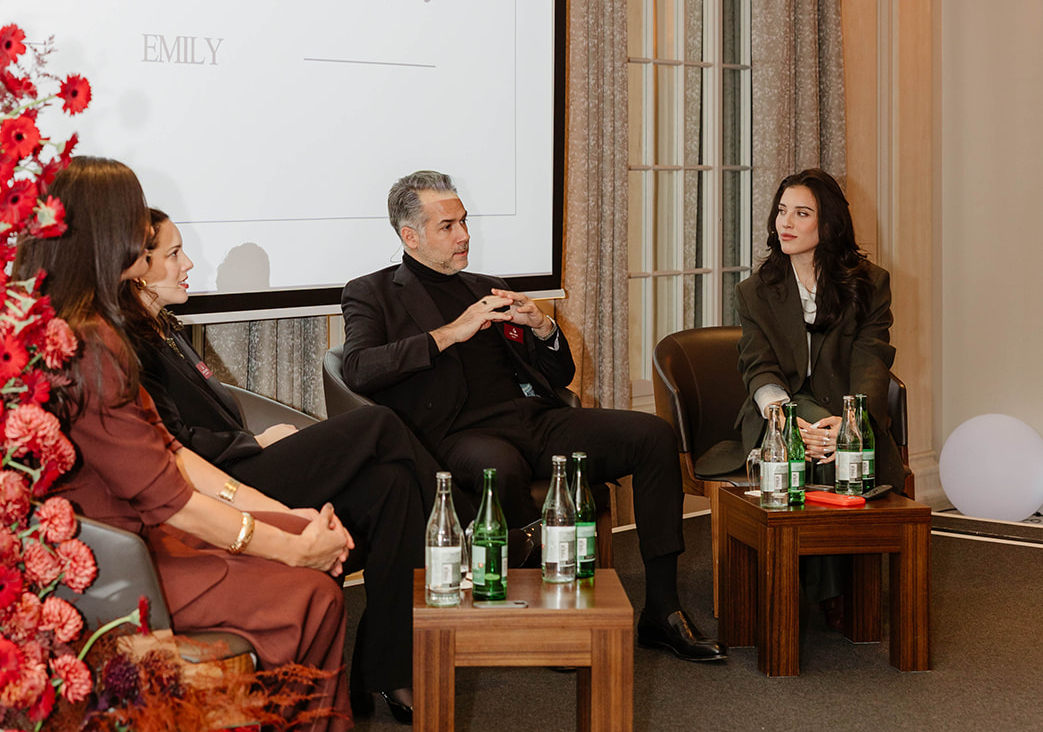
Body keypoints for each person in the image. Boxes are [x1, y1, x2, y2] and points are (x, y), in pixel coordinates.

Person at [16, 157, 352, 732]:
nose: (145, 250)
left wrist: (285, 516)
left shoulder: (84, 325)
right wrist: (293, 546)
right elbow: (166, 497)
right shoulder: (88, 343)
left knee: (310, 562)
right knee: (314, 590)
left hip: (140, 536)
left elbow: (173, 455)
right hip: (115, 565)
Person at [341, 169, 726, 664]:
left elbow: (558, 373)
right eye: (448, 227)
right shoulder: (371, 292)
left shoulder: (490, 286)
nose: (464, 236)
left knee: (652, 435)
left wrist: (543, 327)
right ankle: (540, 613)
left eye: (464, 222)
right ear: (409, 235)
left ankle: (663, 610)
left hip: (534, 421)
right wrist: (449, 333)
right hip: (456, 436)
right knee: (497, 469)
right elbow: (357, 368)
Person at [122, 209, 438, 725]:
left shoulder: (165, 327)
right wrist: (253, 441)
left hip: (245, 461)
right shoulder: (129, 344)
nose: (189, 263)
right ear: (137, 265)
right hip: (226, 485)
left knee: (393, 484)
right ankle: (472, 528)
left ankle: (384, 671)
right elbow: (173, 444)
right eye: (175, 254)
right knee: (378, 424)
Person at [734, 168, 905, 614]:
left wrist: (851, 423)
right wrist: (787, 422)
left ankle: (805, 592)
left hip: (845, 410)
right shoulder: (755, 292)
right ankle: (832, 597)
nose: (785, 223)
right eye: (781, 211)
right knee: (821, 453)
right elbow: (759, 366)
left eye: (801, 213)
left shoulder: (870, 284)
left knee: (836, 451)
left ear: (827, 225)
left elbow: (872, 359)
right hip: (779, 413)